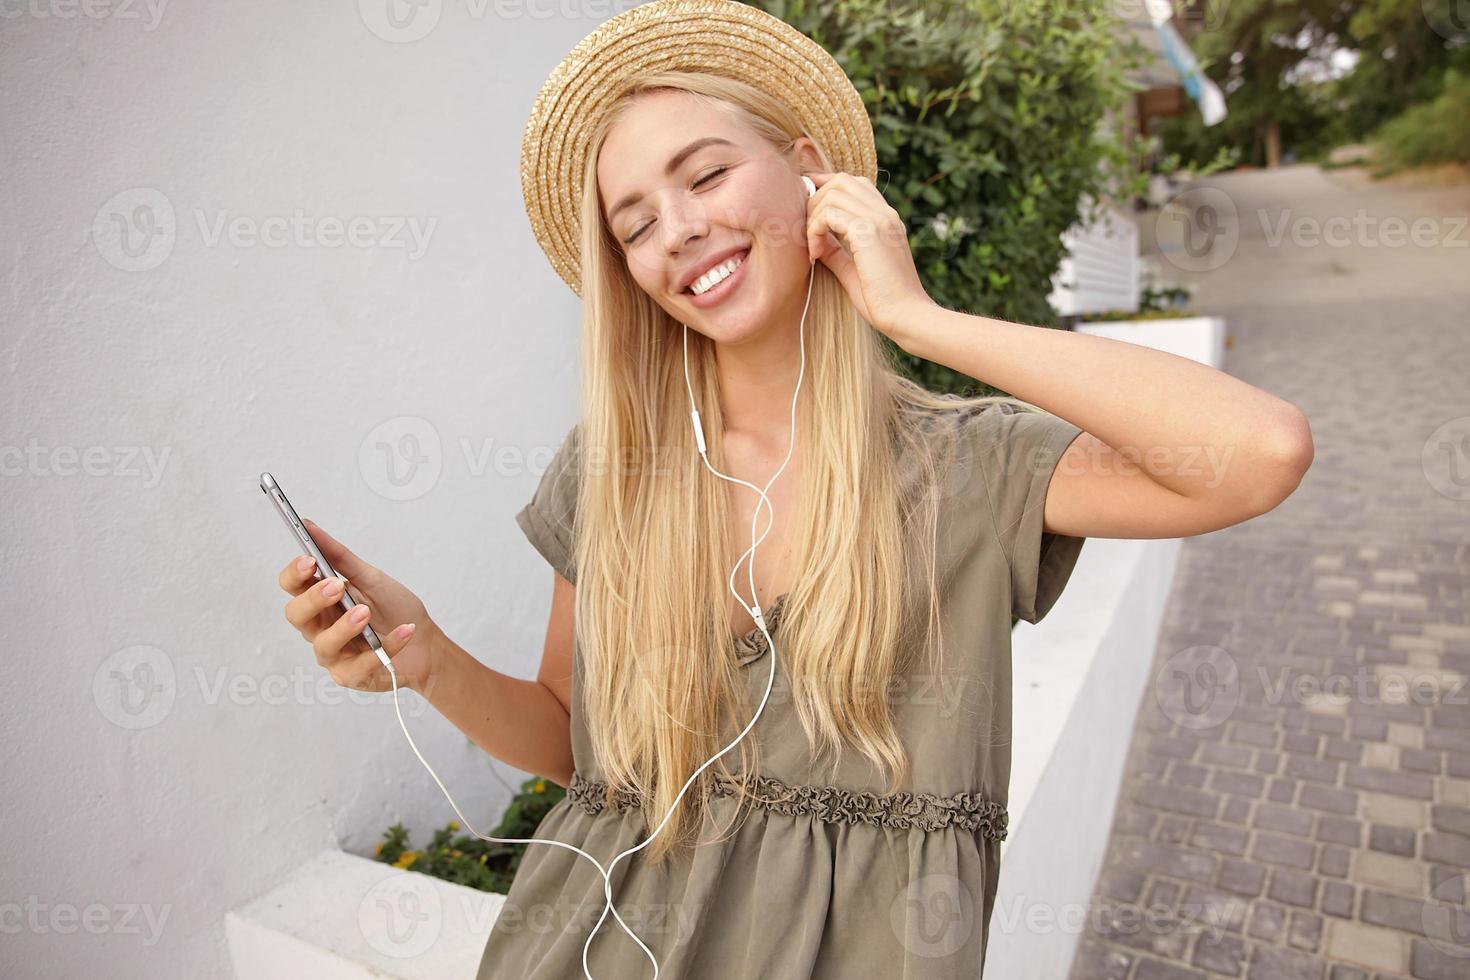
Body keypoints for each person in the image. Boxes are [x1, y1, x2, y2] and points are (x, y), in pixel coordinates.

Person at [277, 1, 1313, 977]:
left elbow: (1260, 449)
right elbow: (574, 744)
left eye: (708, 174)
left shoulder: (968, 465)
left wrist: (919, 318)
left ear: (811, 174)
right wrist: (428, 660)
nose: (677, 230)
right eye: (634, 224)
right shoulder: (613, 466)